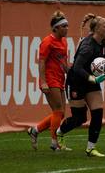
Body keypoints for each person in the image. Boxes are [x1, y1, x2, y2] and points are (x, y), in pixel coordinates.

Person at [55, 13, 105, 157]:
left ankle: (90, 148)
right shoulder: (87, 46)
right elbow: (77, 68)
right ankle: (59, 132)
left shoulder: (103, 41)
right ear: (97, 29)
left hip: (91, 81)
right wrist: (92, 79)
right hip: (77, 81)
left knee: (98, 112)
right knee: (79, 119)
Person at [27, 11, 71, 151]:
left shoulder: (64, 41)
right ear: (56, 28)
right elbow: (41, 62)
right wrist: (44, 82)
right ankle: (55, 144)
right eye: (64, 26)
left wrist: (72, 74)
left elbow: (64, 62)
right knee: (58, 111)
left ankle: (35, 130)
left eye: (67, 26)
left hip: (60, 78)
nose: (66, 28)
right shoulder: (47, 41)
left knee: (61, 113)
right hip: (50, 79)